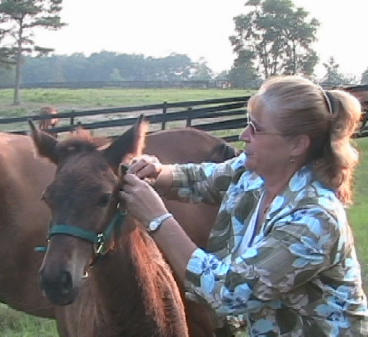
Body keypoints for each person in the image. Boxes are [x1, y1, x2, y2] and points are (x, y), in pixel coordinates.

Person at [119, 75, 368, 336]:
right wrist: (157, 172)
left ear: (297, 144)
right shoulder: (254, 174)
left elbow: (229, 292)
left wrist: (157, 220)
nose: (244, 135)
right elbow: (203, 179)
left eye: (257, 129)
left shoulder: (314, 220)